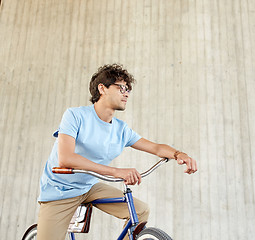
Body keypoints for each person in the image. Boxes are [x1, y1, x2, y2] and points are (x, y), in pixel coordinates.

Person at [37, 64, 197, 240]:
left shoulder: (121, 129)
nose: (126, 93)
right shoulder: (75, 116)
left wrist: (179, 154)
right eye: (121, 87)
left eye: (128, 89)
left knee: (141, 210)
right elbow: (66, 158)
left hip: (88, 186)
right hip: (60, 189)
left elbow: (156, 148)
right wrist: (116, 172)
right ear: (102, 88)